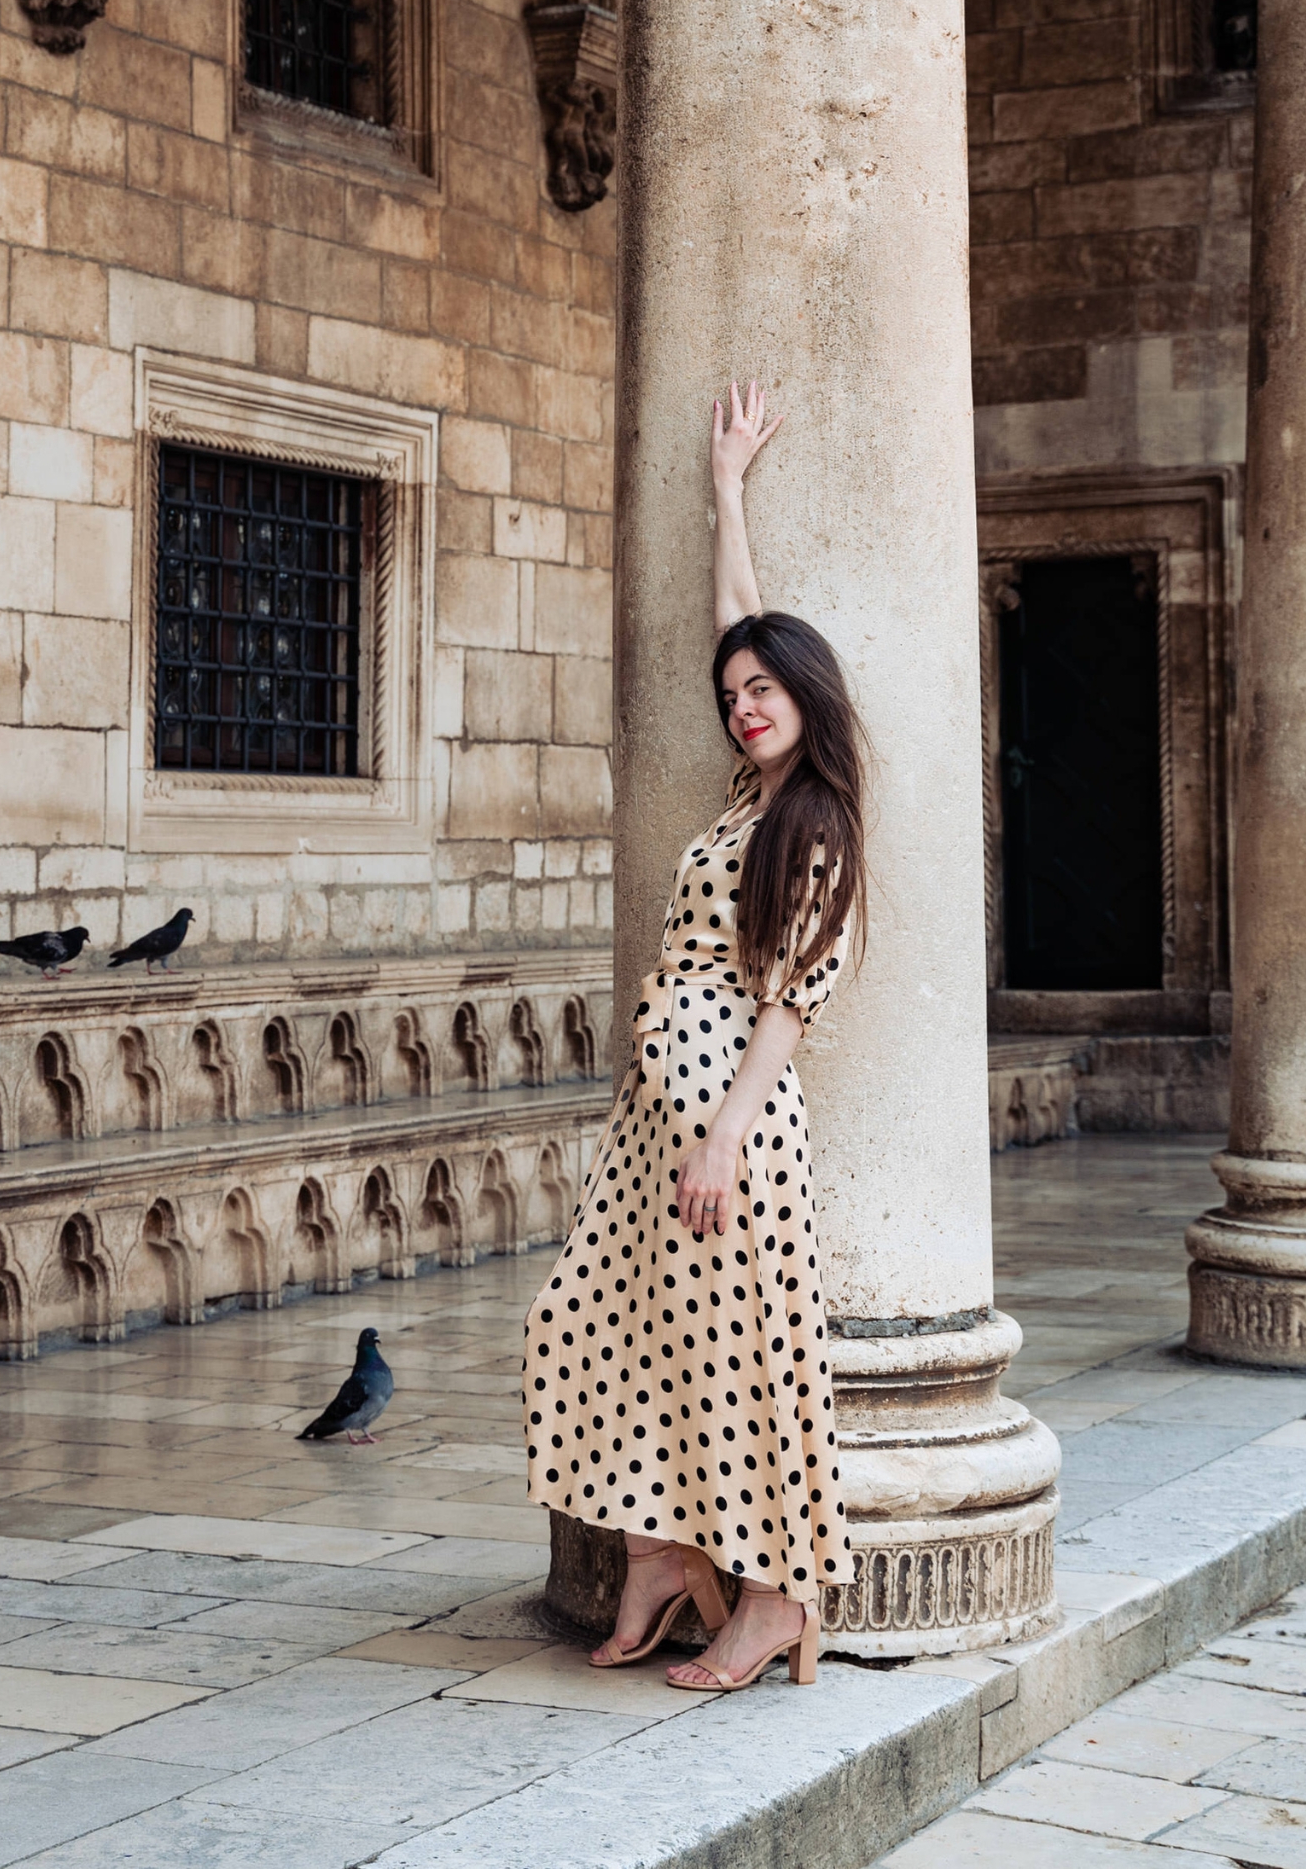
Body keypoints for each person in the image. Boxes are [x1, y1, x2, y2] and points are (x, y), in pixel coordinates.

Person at [521, 380, 867, 1693]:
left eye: (766, 689)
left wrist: (722, 1138)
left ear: (805, 695)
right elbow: (743, 620)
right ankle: (663, 1554)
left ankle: (777, 1600)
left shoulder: (814, 827)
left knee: (748, 1370)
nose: (744, 703)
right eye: (734, 693)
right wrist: (726, 488)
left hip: (731, 1132)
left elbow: (789, 1001)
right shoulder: (747, 799)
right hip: (653, 1118)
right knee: (597, 1325)